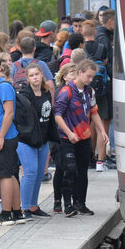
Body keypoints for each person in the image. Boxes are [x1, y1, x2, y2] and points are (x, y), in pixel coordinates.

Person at [54, 60, 107, 217]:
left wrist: (102, 131)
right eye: (88, 76)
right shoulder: (66, 91)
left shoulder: (89, 91)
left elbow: (94, 111)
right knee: (70, 169)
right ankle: (67, 204)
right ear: (79, 73)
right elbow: (58, 115)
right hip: (68, 137)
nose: (90, 80)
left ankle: (80, 203)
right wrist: (69, 133)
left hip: (84, 137)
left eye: (92, 77)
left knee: (83, 172)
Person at [0, 54, 27, 226]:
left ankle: (7, 214)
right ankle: (16, 212)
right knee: (10, 174)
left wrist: (0, 137)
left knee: (4, 175)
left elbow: (9, 113)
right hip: (1, 136)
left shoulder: (3, 86)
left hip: (6, 136)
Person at [16, 64, 57, 217]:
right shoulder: (23, 95)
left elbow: (49, 114)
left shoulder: (46, 91)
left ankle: (33, 206)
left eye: (37, 74)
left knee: (40, 174)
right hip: (27, 139)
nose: (35, 77)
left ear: (41, 75)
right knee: (30, 172)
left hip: (43, 139)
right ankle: (24, 207)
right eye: (31, 75)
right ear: (27, 78)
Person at [51, 63, 78, 213]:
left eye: (76, 73)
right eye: (71, 73)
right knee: (62, 169)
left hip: (73, 135)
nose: (74, 76)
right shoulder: (62, 91)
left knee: (66, 169)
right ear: (64, 76)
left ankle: (67, 201)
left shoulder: (78, 91)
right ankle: (58, 201)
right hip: (60, 136)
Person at [94, 9, 116, 170]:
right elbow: (105, 60)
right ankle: (101, 158)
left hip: (104, 83)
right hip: (105, 84)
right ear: (110, 22)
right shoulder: (103, 37)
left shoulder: (103, 35)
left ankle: (101, 156)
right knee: (104, 120)